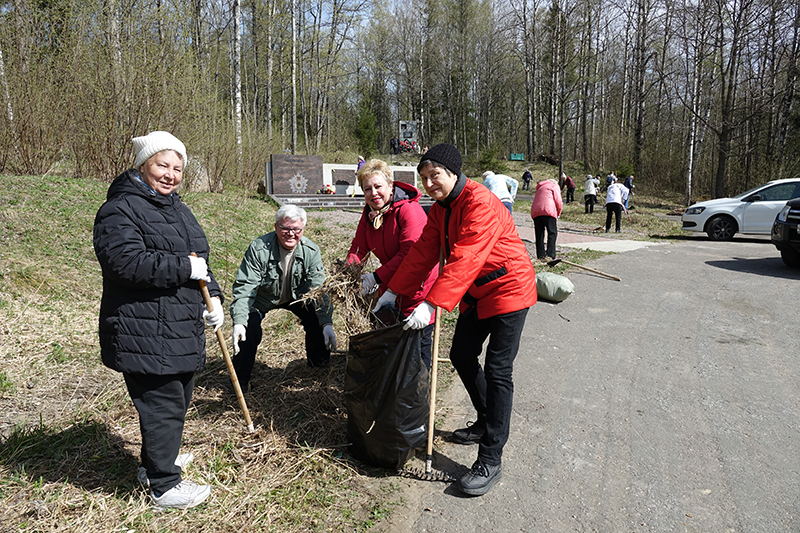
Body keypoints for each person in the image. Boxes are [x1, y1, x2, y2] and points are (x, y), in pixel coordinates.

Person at [372, 143, 537, 497]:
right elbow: (422, 253)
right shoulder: (440, 209)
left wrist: (431, 305)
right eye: (425, 178)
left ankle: (491, 458)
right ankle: (486, 418)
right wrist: (392, 290)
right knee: (462, 355)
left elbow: (465, 257)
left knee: (498, 370)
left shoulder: (481, 203)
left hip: (509, 289)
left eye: (436, 176)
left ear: (454, 172)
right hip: (476, 292)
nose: (430, 184)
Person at [93, 131, 222, 509]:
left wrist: (213, 296)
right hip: (144, 328)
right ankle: (163, 485)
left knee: (177, 398)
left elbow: (199, 257)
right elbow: (125, 263)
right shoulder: (120, 209)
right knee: (162, 403)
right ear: (143, 165)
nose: (170, 174)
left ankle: (157, 462)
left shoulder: (175, 207)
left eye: (177, 168)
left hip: (178, 325)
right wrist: (184, 267)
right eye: (162, 165)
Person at [229, 205, 336, 390]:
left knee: (315, 317)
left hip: (297, 296)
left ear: (303, 229)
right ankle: (239, 382)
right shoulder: (259, 248)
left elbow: (319, 290)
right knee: (250, 328)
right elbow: (245, 287)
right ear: (276, 227)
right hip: (263, 299)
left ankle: (318, 370)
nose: (290, 233)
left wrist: (326, 323)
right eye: (285, 228)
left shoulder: (311, 251)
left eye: (296, 229)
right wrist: (239, 321)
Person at [346, 159, 438, 368]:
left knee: (416, 351)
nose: (373, 193)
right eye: (367, 189)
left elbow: (411, 253)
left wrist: (375, 277)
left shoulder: (408, 210)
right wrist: (348, 272)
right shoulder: (370, 214)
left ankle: (418, 396)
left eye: (378, 186)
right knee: (390, 348)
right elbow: (359, 247)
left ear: (391, 186)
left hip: (417, 287)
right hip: (390, 286)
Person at [530, 178, 563, 260]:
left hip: (536, 212)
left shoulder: (540, 187)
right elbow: (558, 201)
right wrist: (558, 213)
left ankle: (540, 256)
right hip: (548, 211)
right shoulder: (554, 186)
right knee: (552, 232)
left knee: (539, 234)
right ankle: (550, 255)